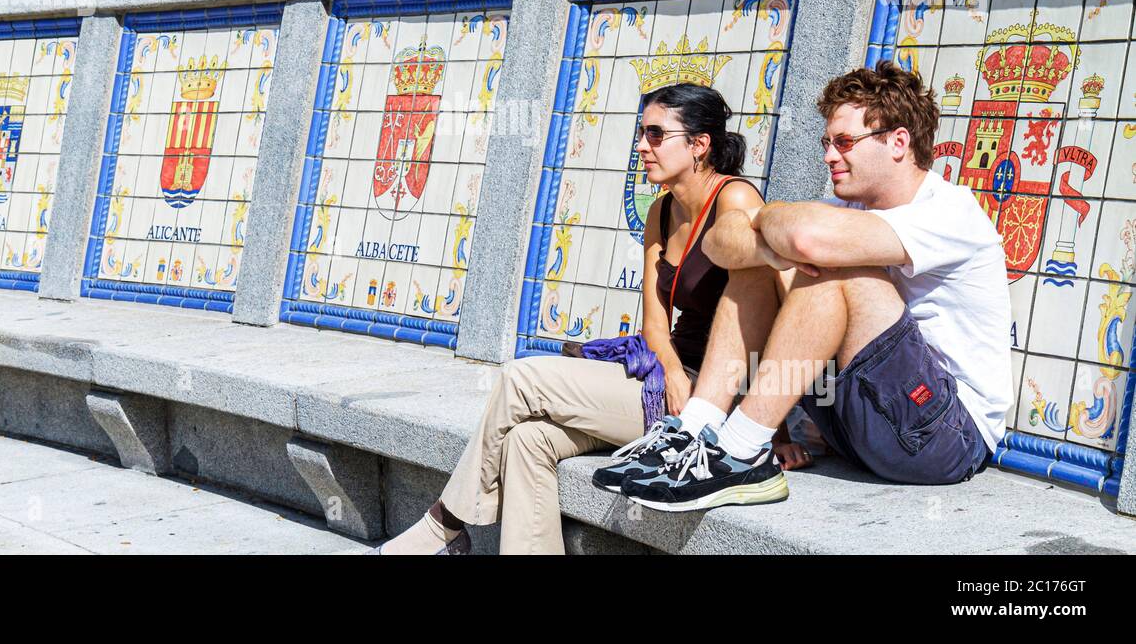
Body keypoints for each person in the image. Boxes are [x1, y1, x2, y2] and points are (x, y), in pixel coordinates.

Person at [373, 82, 810, 555]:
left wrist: (773, 429)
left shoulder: (736, 201)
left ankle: (443, 527)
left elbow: (773, 312)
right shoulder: (661, 212)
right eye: (642, 134)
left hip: (711, 404)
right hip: (668, 382)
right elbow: (655, 324)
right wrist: (668, 372)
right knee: (528, 439)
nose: (642, 146)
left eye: (657, 134)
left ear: (700, 144)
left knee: (521, 379)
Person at [613, 61, 1011, 512]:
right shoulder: (849, 208)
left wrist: (766, 223)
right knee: (760, 261)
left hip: (943, 435)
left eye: (844, 142)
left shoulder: (949, 212)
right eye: (827, 142)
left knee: (831, 267)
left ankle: (742, 449)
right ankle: (695, 428)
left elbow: (806, 238)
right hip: (854, 420)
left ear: (898, 142)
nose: (829, 155)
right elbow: (720, 243)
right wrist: (766, 245)